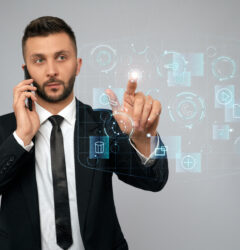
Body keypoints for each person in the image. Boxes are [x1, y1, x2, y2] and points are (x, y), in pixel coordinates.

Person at [0, 16, 168, 250]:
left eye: (61, 57)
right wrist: (21, 138)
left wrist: (140, 137)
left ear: (77, 65)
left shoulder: (105, 124)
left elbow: (154, 181)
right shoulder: (5, 129)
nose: (51, 71)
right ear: (26, 69)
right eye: (39, 60)